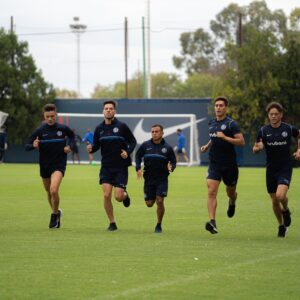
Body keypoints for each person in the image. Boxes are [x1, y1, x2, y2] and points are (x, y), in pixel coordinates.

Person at [86, 100, 137, 231]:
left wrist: (127, 151)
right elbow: (96, 146)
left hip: (120, 167)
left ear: (114, 111)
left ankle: (125, 196)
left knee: (118, 197)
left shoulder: (122, 126)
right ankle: (112, 223)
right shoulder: (99, 129)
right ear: (103, 111)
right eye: (106, 108)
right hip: (106, 167)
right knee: (106, 195)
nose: (108, 110)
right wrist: (91, 148)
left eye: (110, 108)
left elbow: (133, 141)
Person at [253, 102, 300, 238]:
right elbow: (256, 147)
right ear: (268, 115)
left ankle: (285, 210)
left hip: (285, 167)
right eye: (271, 114)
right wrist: (257, 148)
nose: (273, 116)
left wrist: (299, 150)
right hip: (271, 169)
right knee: (274, 201)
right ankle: (281, 225)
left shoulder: (288, 129)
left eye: (276, 114)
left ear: (281, 115)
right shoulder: (263, 131)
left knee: (280, 196)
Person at [200, 96, 245, 234]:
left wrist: (225, 137)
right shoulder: (212, 123)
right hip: (214, 163)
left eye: (221, 105)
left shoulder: (232, 124)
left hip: (229, 164)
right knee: (211, 190)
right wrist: (207, 145)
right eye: (216, 105)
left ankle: (232, 202)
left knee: (230, 192)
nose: (218, 108)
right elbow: (214, 137)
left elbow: (241, 142)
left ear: (226, 108)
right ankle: (213, 223)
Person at [25, 103, 74, 229]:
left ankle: (53, 215)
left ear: (56, 115)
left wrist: (69, 146)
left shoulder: (63, 129)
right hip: (45, 165)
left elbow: (73, 137)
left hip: (59, 164)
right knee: (48, 192)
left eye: (52, 116)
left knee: (53, 190)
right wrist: (33, 145)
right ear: (44, 116)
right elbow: (27, 146)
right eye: (48, 117)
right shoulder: (39, 131)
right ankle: (57, 212)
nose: (50, 119)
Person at [135, 124, 176, 233]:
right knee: (149, 204)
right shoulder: (145, 145)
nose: (154, 133)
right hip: (148, 179)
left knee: (160, 200)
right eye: (152, 131)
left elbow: (173, 162)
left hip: (162, 179)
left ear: (162, 133)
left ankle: (158, 224)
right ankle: (151, 198)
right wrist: (138, 168)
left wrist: (171, 168)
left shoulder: (167, 148)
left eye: (156, 131)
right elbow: (138, 156)